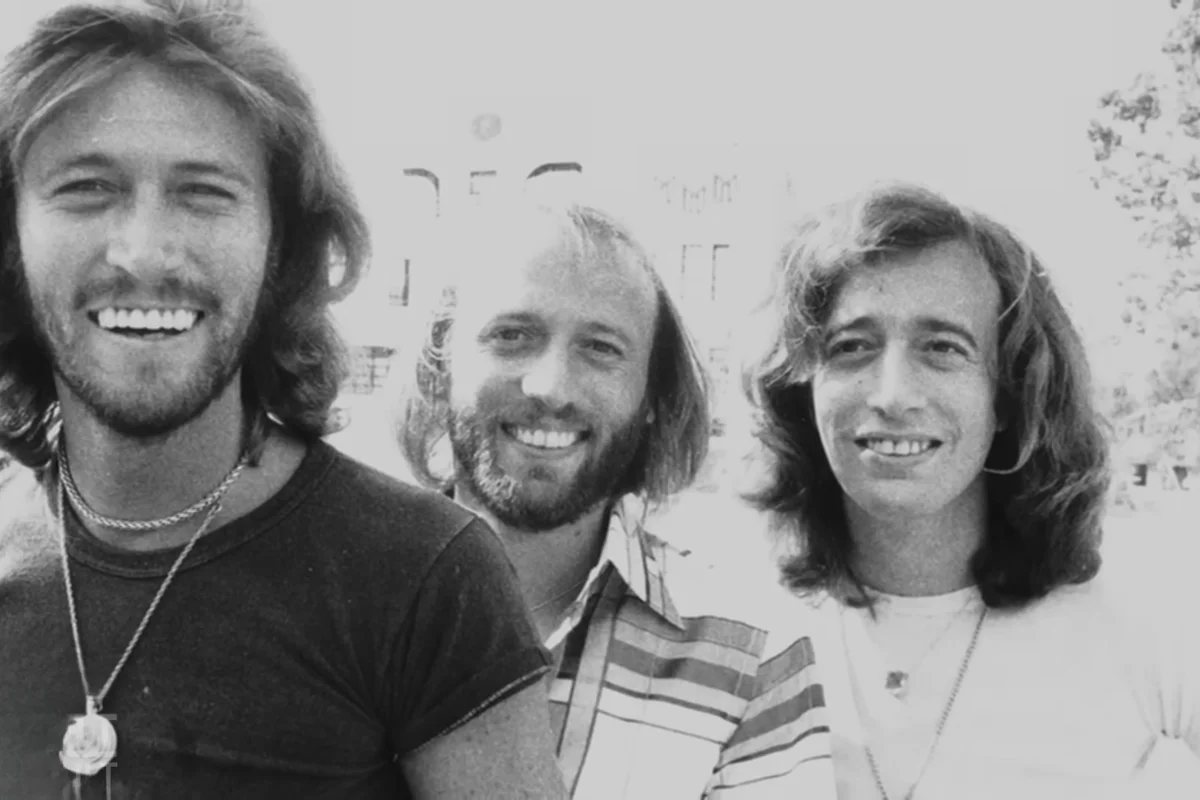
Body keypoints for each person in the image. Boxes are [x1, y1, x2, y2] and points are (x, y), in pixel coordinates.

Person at [0, 2, 564, 798]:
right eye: (87, 188)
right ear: (11, 240)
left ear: (283, 249)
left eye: (204, 193)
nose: (144, 253)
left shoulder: (424, 580)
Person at [742, 181, 1200, 799]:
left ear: (1008, 396)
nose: (892, 394)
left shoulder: (1140, 620)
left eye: (942, 348)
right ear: (803, 390)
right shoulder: (741, 628)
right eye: (852, 347)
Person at [396, 199, 836, 798]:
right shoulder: (342, 600)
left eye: (600, 348)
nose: (551, 387)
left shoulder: (753, 656)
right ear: (438, 366)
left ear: (653, 395)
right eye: (511, 335)